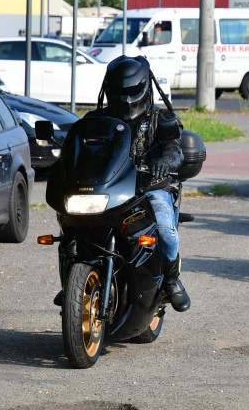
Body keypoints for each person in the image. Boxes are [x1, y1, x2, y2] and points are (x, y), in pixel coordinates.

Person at [73, 55, 190, 312]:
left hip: (150, 187)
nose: (125, 98)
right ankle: (73, 283)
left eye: (131, 91)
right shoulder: (95, 120)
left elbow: (175, 148)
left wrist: (166, 161)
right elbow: (78, 147)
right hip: (108, 188)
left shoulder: (162, 119)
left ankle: (171, 280)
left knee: (166, 230)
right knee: (71, 222)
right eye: (119, 91)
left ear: (144, 87)